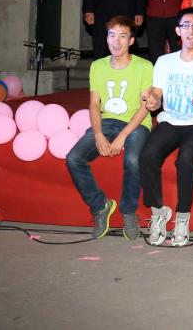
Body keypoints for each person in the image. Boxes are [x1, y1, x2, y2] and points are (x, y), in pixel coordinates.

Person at [139, 7, 193, 247]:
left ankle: (182, 218)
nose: (191, 30)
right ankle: (158, 212)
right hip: (169, 120)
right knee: (147, 156)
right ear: (177, 31)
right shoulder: (164, 61)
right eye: (186, 25)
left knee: (187, 159)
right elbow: (157, 93)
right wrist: (153, 100)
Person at [65, 15, 153, 240]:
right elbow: (94, 104)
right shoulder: (98, 66)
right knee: (73, 158)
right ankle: (100, 206)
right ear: (106, 38)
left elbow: (145, 107)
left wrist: (122, 136)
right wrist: (98, 134)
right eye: (112, 35)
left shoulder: (144, 66)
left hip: (137, 123)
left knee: (132, 160)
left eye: (122, 36)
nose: (116, 41)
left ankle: (128, 211)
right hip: (107, 121)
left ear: (131, 41)